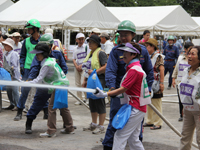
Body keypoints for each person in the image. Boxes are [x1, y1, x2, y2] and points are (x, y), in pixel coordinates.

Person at [103, 20, 154, 150]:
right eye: (121, 34)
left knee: (135, 128)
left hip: (136, 96)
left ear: (133, 35)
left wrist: (148, 89)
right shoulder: (115, 51)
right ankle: (108, 146)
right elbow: (111, 71)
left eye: (126, 34)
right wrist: (112, 89)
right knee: (116, 121)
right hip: (119, 94)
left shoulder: (142, 51)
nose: (124, 37)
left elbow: (149, 71)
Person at [94, 42, 151, 150]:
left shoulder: (134, 70)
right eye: (123, 51)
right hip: (137, 107)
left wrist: (105, 93)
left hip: (135, 107)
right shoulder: (135, 68)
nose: (123, 54)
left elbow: (123, 89)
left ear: (134, 54)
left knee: (120, 136)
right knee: (133, 139)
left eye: (126, 52)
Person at [24, 43, 74, 137]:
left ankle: (51, 130)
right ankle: (69, 128)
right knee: (63, 107)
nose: (36, 56)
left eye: (38, 54)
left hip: (58, 86)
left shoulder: (46, 64)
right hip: (63, 85)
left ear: (44, 53)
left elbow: (38, 80)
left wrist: (25, 83)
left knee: (51, 108)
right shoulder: (50, 60)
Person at [14, 19, 41, 120]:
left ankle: (46, 111)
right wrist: (21, 65)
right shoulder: (26, 41)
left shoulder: (42, 41)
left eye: (29, 28)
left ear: (35, 29)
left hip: (39, 69)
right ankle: (19, 111)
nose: (28, 30)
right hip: (28, 69)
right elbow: (23, 55)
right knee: (25, 91)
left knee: (42, 89)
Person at [82, 35, 107, 134]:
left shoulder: (100, 53)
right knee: (92, 101)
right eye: (89, 42)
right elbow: (87, 68)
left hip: (99, 79)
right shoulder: (91, 53)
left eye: (92, 42)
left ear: (97, 43)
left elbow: (105, 66)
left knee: (99, 101)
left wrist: (95, 72)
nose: (90, 43)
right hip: (91, 79)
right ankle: (94, 124)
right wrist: (85, 80)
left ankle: (101, 126)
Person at [179, 46, 200, 149]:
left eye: (193, 54)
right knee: (185, 137)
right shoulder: (186, 70)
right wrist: (184, 106)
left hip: (199, 110)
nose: (189, 56)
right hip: (188, 109)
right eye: (189, 53)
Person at [143, 38, 164, 130]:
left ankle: (158, 122)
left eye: (148, 45)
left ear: (152, 47)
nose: (146, 47)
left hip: (156, 83)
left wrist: (162, 83)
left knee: (156, 103)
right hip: (149, 82)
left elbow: (161, 69)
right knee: (149, 102)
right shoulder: (149, 56)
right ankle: (149, 121)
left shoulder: (158, 56)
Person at [172, 42, 194, 122]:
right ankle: (181, 115)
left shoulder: (194, 59)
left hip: (190, 83)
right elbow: (176, 69)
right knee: (181, 99)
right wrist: (173, 78)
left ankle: (189, 114)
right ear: (185, 49)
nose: (191, 51)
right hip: (180, 82)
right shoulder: (180, 58)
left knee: (189, 99)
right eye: (189, 49)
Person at [2, 38, 20, 110]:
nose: (4, 47)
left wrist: (13, 75)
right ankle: (12, 103)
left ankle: (17, 105)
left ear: (10, 46)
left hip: (14, 75)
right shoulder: (6, 54)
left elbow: (14, 66)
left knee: (15, 91)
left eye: (6, 45)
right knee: (9, 90)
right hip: (9, 75)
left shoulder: (14, 54)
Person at [73, 33, 87, 105]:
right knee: (77, 83)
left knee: (84, 83)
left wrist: (81, 65)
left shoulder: (86, 47)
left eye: (82, 39)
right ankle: (79, 99)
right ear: (76, 40)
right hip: (77, 67)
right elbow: (74, 59)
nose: (81, 41)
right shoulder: (75, 48)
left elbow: (87, 58)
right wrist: (76, 66)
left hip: (84, 67)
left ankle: (86, 98)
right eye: (79, 39)